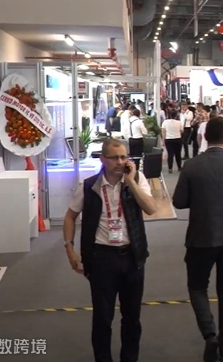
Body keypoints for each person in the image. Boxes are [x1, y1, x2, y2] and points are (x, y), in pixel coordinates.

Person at [63, 139, 157, 362]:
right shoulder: (88, 186)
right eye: (114, 158)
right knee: (103, 317)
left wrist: (131, 182)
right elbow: (70, 217)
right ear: (103, 159)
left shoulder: (137, 180)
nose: (120, 162)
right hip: (102, 258)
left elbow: (151, 209)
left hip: (132, 257)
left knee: (132, 317)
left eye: (124, 157)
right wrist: (70, 250)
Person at [172, 118, 223, 362]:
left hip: (201, 236)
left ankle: (210, 335)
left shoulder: (192, 166)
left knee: (198, 287)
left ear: (205, 137)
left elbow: (179, 202)